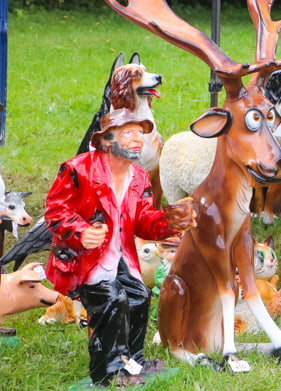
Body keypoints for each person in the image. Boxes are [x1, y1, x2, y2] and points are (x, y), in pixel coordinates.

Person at [44, 109, 196, 386]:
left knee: (138, 296)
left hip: (119, 257)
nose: (137, 139)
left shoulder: (138, 177)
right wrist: (81, 232)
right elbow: (55, 212)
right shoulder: (78, 170)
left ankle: (132, 360)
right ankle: (107, 371)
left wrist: (169, 221)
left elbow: (144, 223)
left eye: (140, 133)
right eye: (128, 133)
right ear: (108, 140)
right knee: (112, 300)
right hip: (85, 259)